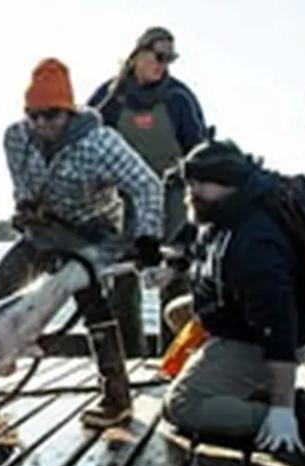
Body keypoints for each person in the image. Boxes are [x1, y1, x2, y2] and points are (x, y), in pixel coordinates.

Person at [0, 57, 164, 429]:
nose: (42, 124)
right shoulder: (15, 138)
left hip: (91, 229)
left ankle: (116, 397)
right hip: (45, 226)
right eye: (34, 116)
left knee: (92, 302)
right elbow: (22, 186)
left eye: (51, 115)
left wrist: (147, 237)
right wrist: (25, 207)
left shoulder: (100, 143)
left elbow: (147, 185)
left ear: (68, 112)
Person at [161, 139, 305, 452]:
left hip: (270, 334)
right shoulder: (224, 207)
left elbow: (279, 327)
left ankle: (294, 415)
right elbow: (202, 248)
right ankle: (249, 387)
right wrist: (174, 266)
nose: (192, 191)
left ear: (229, 184)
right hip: (235, 312)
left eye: (200, 183)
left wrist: (281, 411)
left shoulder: (256, 243)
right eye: (190, 182)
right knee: (176, 313)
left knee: (183, 405)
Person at [88, 26, 208, 356]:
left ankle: (176, 357)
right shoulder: (110, 97)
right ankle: (130, 355)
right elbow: (85, 141)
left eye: (171, 58)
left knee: (173, 272)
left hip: (172, 190)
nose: (164, 64)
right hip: (123, 194)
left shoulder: (179, 98)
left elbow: (198, 152)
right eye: (159, 56)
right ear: (139, 54)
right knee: (123, 275)